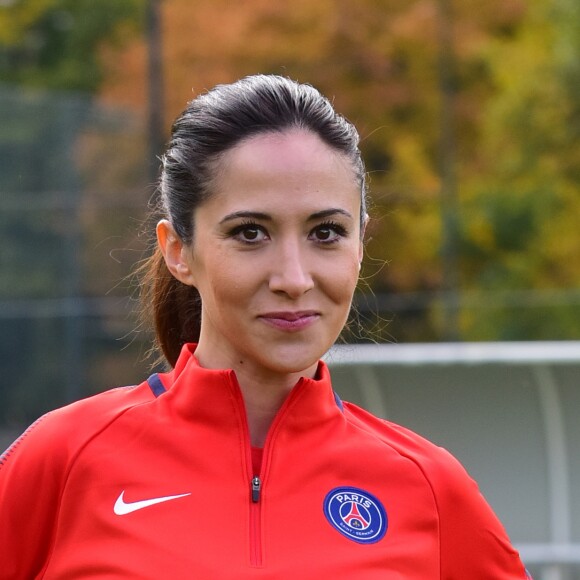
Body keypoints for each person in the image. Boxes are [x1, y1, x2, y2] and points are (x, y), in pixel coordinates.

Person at [0, 75, 530, 579]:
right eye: (250, 233)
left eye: (326, 232)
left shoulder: (429, 487)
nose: (294, 278)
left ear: (361, 244)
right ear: (179, 251)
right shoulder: (65, 460)